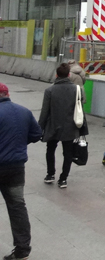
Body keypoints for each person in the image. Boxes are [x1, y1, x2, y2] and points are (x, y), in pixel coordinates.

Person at [0, 82, 42, 260]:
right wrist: (17, 144)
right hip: (16, 168)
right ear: (7, 94)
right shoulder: (24, 111)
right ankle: (22, 251)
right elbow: (37, 134)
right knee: (17, 207)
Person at [38, 63, 85, 189]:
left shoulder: (50, 90)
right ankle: (63, 179)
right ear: (69, 75)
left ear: (56, 75)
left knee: (50, 149)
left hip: (53, 125)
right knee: (68, 153)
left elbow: (45, 111)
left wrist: (39, 128)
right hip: (70, 126)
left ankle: (50, 174)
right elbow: (81, 106)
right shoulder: (77, 89)